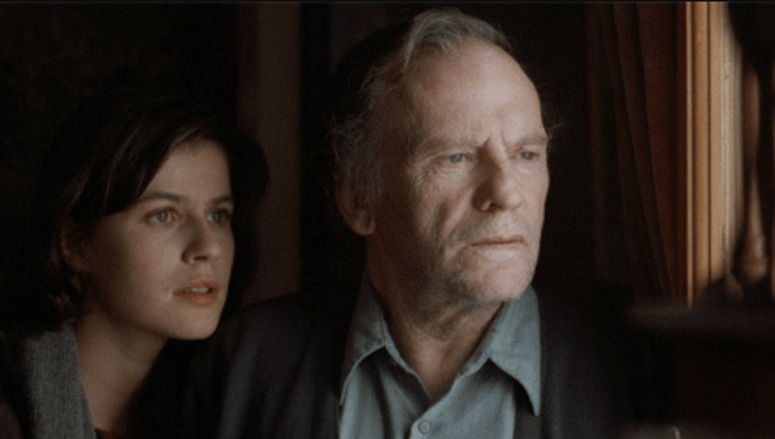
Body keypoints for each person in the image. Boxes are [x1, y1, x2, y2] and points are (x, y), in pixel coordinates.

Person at [180, 8, 628, 439]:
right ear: (358, 200)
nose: (507, 193)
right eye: (456, 157)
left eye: (527, 154)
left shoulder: (630, 372)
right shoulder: (243, 366)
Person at [0, 78, 268, 439]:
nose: (210, 247)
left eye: (218, 215)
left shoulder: (219, 412)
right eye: (164, 215)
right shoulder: (10, 414)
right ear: (75, 245)